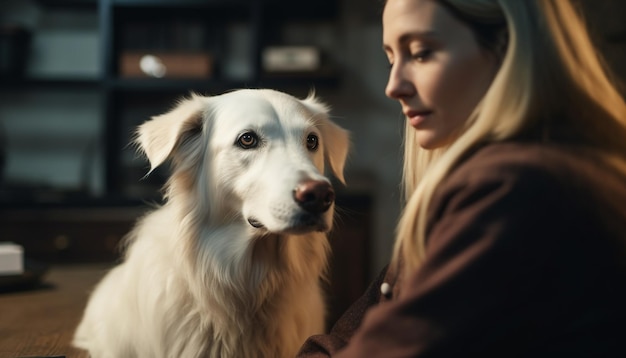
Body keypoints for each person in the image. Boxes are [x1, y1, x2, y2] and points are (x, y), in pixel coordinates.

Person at [297, 0, 626, 356]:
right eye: (392, 58)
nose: (393, 86)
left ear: (508, 50)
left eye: (421, 53)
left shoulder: (516, 188)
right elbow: (352, 338)